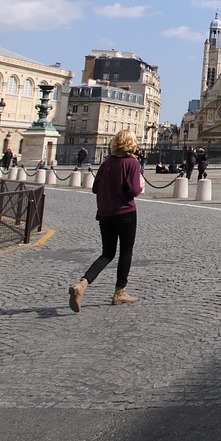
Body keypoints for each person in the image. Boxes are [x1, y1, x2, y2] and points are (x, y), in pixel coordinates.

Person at [68, 129, 144, 311]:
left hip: (105, 214)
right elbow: (133, 190)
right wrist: (140, 186)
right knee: (126, 252)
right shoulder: (132, 163)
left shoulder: (107, 162)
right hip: (125, 213)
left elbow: (95, 188)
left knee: (107, 253)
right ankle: (119, 292)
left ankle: (83, 284)